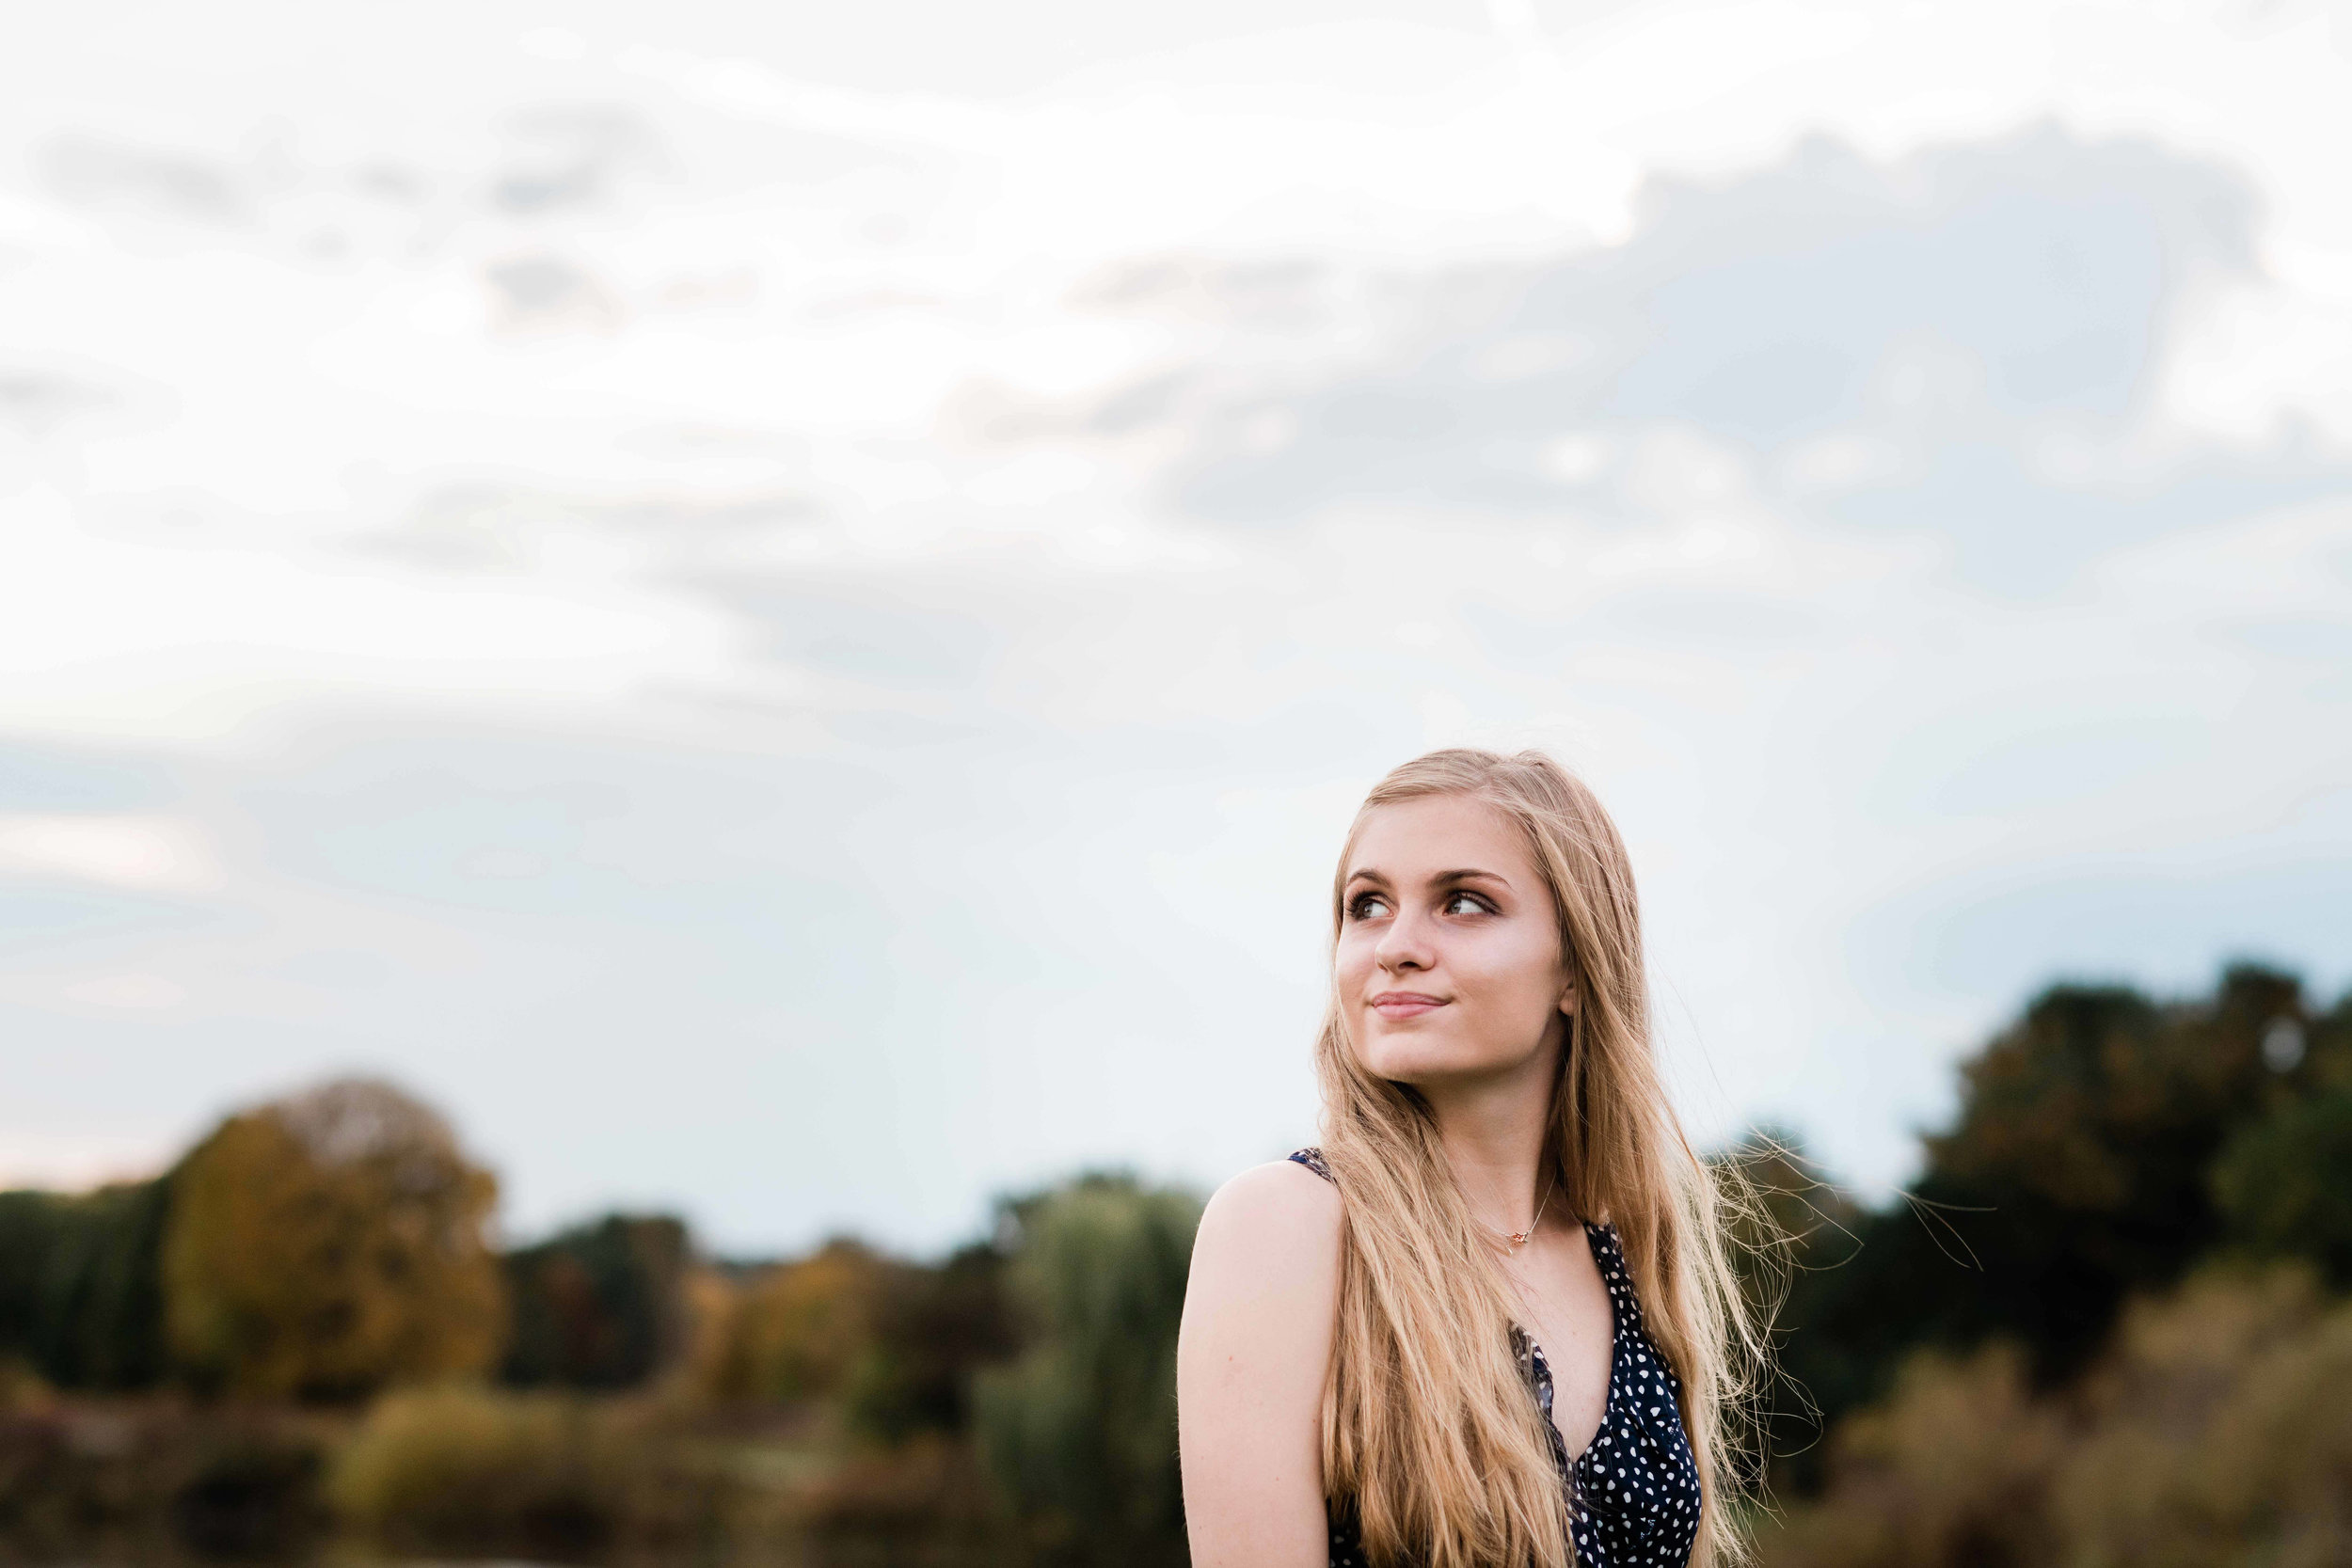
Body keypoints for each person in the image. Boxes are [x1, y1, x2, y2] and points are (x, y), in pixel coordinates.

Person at [1177, 748, 1765, 1568]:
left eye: (1462, 902)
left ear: (1574, 963)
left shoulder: (1623, 1245)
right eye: (1367, 904)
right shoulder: (1288, 1224)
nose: (1396, 945)